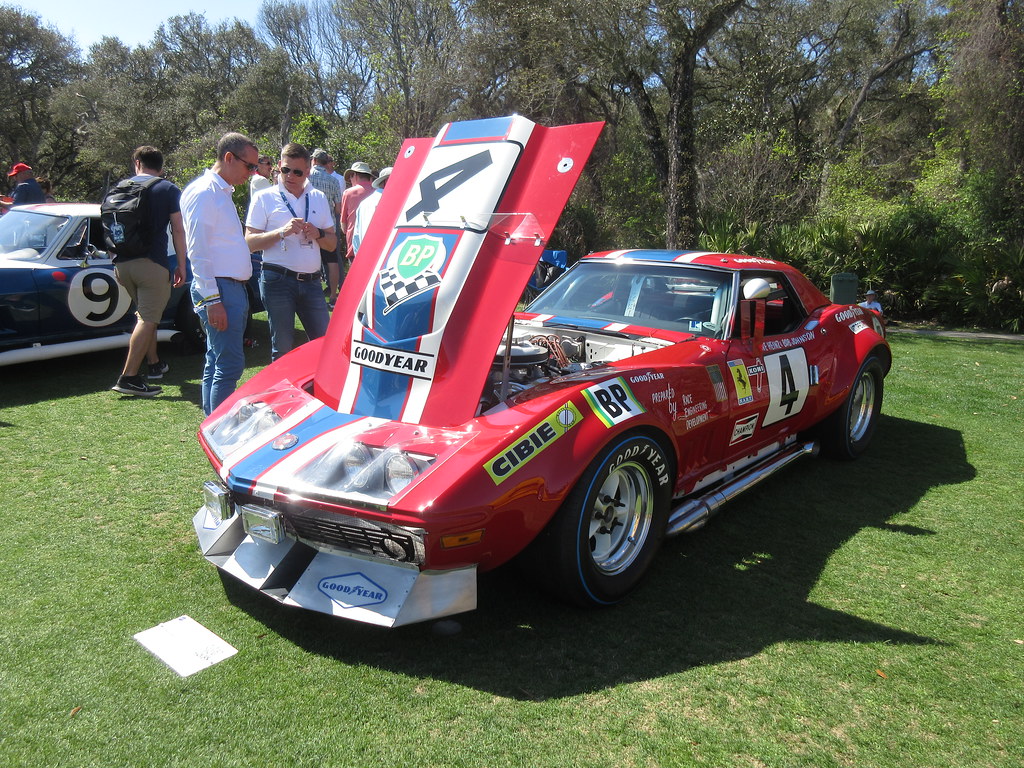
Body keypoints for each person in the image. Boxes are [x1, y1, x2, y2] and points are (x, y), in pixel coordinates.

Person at [181, 132, 261, 415]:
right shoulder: (206, 193)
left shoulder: (217, 191)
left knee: (217, 361)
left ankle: (212, 423)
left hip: (228, 288)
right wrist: (213, 299)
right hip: (221, 289)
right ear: (229, 158)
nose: (251, 173)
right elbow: (198, 250)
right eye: (248, 166)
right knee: (228, 365)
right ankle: (220, 430)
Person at [245, 143, 337, 362]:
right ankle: (282, 396)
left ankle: (318, 393)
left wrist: (318, 234)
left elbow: (332, 244)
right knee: (283, 349)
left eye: (297, 172)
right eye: (285, 169)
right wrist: (281, 232)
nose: (290, 176)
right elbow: (249, 243)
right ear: (278, 166)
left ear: (307, 172)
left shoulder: (318, 197)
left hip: (312, 282)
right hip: (277, 280)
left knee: (324, 345)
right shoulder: (264, 197)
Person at [110, 146, 187, 398]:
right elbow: (178, 229)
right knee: (148, 319)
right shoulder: (167, 188)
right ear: (161, 167)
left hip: (122, 263)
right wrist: (182, 265)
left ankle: (154, 364)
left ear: (137, 163)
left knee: (145, 315)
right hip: (152, 263)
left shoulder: (119, 187)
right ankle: (129, 377)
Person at [309, 149, 342, 304]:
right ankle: (333, 295)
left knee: (310, 258)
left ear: (314, 160)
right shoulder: (333, 181)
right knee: (332, 261)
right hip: (328, 225)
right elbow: (338, 208)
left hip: (309, 224)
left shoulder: (306, 177)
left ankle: (311, 295)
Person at [339, 161, 376, 264]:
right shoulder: (377, 191)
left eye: (350, 177)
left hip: (354, 245)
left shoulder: (348, 193)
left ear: (354, 175)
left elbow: (343, 226)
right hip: (375, 242)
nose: (350, 180)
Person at [351, 165, 392, 255]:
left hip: (367, 257)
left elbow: (356, 238)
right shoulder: (390, 202)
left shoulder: (364, 203)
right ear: (387, 181)